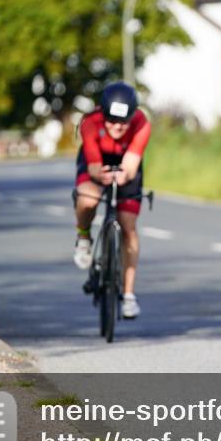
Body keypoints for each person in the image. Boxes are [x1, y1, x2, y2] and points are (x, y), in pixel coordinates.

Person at [73, 82, 150, 319]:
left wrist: (123, 175)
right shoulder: (89, 122)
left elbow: (130, 165)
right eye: (112, 121)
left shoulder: (142, 123)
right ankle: (84, 237)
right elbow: (95, 167)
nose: (117, 127)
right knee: (88, 199)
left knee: (128, 227)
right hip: (96, 161)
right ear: (103, 114)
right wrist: (102, 175)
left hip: (126, 164)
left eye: (123, 122)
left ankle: (128, 295)